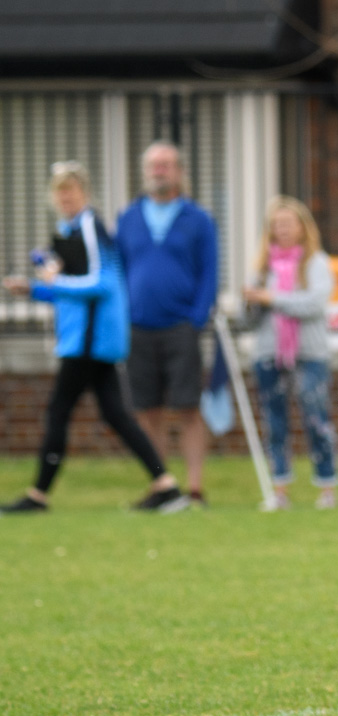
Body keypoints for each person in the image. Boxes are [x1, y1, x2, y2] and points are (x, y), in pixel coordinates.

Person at [0, 162, 187, 515]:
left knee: (59, 410)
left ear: (84, 192)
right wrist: (35, 290)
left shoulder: (89, 227)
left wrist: (56, 283)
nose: (65, 197)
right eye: (59, 190)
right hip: (84, 336)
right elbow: (72, 289)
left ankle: (38, 495)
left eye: (70, 189)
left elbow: (102, 283)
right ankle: (166, 485)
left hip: (90, 339)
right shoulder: (69, 230)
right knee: (116, 414)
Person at [114, 141, 218, 508]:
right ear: (145, 171)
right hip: (138, 327)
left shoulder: (197, 219)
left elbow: (209, 272)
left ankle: (194, 489)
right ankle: (162, 486)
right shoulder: (128, 217)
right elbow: (120, 270)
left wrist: (196, 318)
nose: (160, 171)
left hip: (181, 327)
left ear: (180, 171)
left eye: (166, 165)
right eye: (154, 165)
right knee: (148, 410)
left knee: (188, 407)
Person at [243, 196, 338, 510]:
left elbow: (313, 304)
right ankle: (280, 490)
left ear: (303, 227)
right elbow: (251, 318)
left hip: (310, 353)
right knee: (275, 422)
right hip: (268, 353)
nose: (282, 230)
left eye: (288, 224)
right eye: (276, 225)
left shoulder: (317, 263)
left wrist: (271, 298)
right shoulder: (261, 266)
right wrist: (251, 302)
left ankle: (327, 487)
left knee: (316, 419)